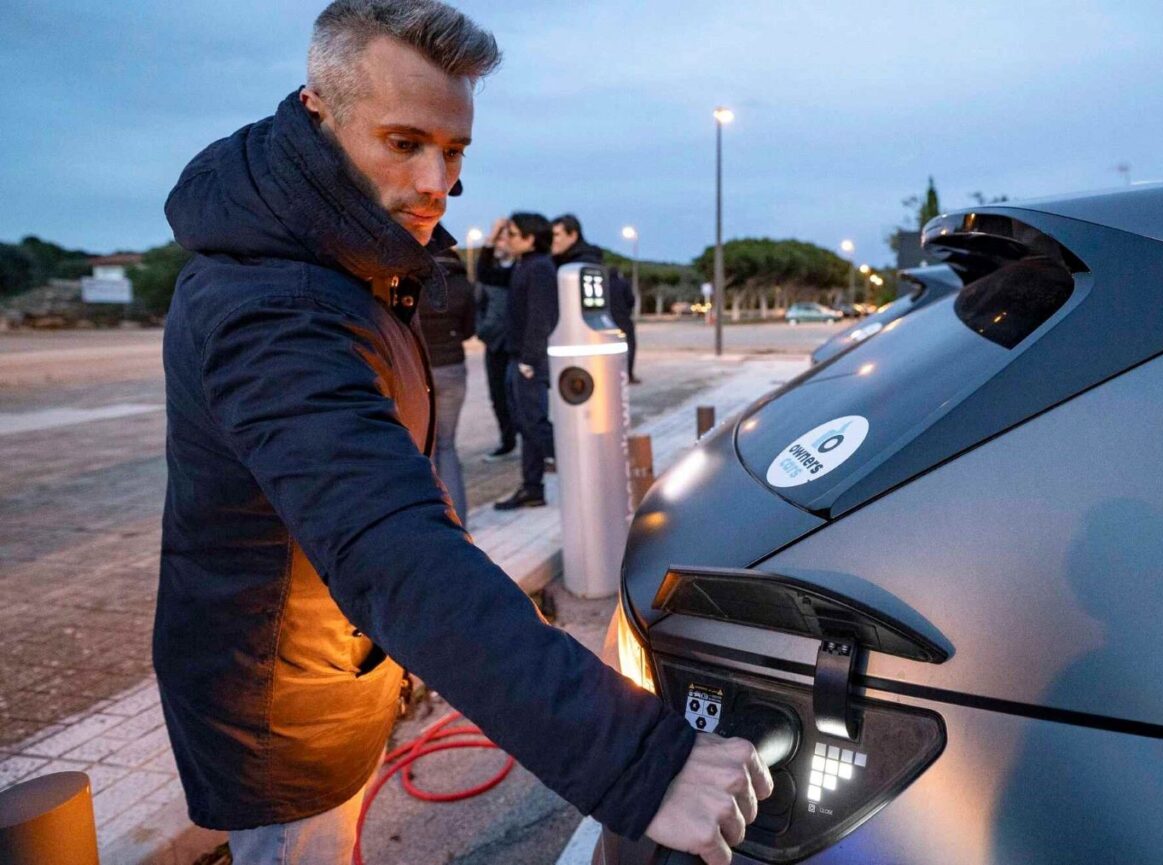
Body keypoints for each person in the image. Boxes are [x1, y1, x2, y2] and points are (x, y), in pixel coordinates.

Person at [153, 3, 767, 864]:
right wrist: (641, 760)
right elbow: (391, 549)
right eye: (404, 143)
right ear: (317, 110)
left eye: (455, 151)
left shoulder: (342, 258)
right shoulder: (273, 305)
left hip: (324, 670)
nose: (437, 181)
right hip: (279, 718)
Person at [493, 212, 558, 510]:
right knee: (525, 424)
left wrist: (529, 360)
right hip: (516, 357)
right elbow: (485, 273)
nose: (508, 239)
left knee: (534, 424)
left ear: (530, 239)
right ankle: (532, 488)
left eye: (513, 234)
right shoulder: (523, 265)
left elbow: (540, 316)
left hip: (527, 361)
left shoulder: (540, 268)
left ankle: (583, 466)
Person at [419, 248, 476, 518]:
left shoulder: (415, 280)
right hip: (453, 368)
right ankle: (459, 519)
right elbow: (469, 330)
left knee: (424, 448)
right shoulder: (462, 284)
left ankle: (432, 521)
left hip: (422, 370)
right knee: (447, 445)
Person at [553, 214, 639, 383]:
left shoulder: (576, 268)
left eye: (556, 235)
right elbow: (631, 301)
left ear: (573, 235)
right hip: (615, 323)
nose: (552, 241)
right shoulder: (596, 268)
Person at [472, 230, 519, 461]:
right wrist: (483, 330)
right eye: (498, 240)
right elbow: (479, 302)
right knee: (498, 397)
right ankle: (507, 441)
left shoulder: (519, 270)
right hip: (494, 345)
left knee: (520, 398)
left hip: (516, 345)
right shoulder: (490, 274)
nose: (502, 243)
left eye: (506, 238)